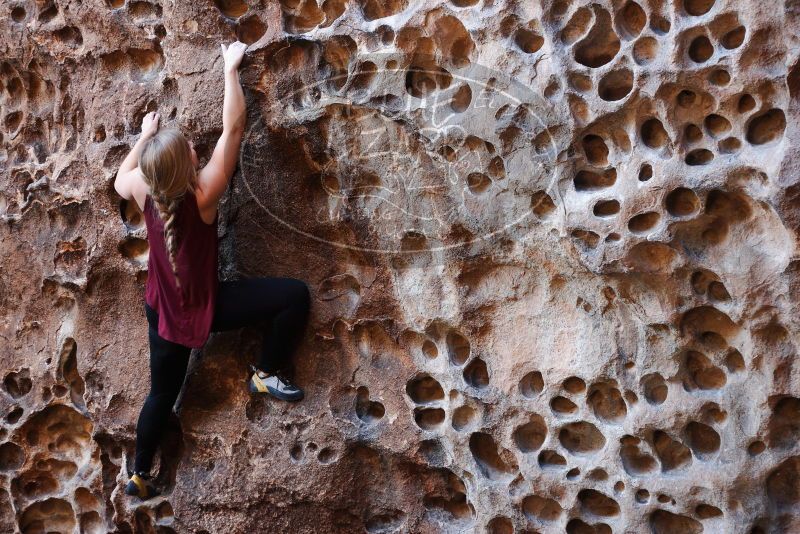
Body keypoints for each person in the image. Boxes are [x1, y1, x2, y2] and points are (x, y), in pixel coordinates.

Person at [113, 41, 311, 500]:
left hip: (162, 314)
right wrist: (229, 70)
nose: (197, 149)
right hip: (207, 308)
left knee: (160, 395)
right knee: (295, 295)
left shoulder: (144, 187)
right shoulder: (203, 194)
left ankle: (140, 474)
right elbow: (235, 128)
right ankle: (265, 371)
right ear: (188, 166)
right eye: (189, 150)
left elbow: (119, 180)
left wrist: (144, 137)